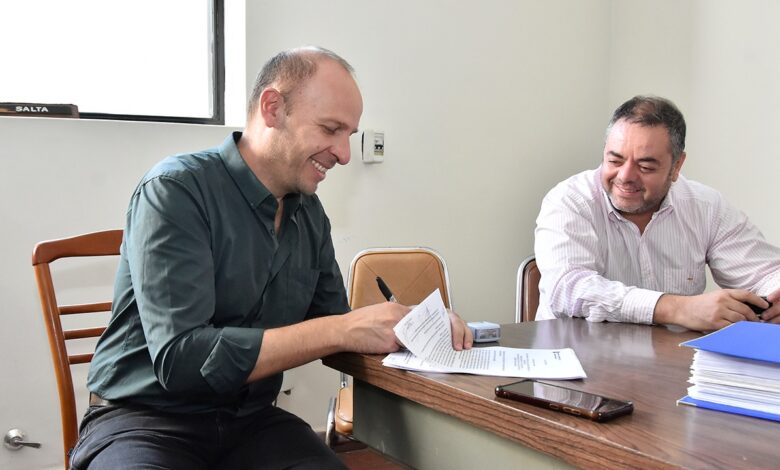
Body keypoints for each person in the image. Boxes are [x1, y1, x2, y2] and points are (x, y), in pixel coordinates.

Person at [70, 46, 472, 469]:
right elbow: (182, 359)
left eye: (349, 135)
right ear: (273, 107)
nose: (345, 154)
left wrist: (414, 329)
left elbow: (340, 325)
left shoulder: (309, 216)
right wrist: (342, 328)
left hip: (250, 421)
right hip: (145, 419)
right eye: (331, 129)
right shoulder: (176, 190)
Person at [534, 95, 780, 332]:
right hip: (575, 363)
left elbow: (766, 274)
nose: (626, 176)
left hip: (672, 365)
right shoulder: (570, 200)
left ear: (676, 166)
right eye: (615, 161)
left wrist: (775, 295)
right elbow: (568, 289)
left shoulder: (707, 207)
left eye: (645, 166)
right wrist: (678, 309)